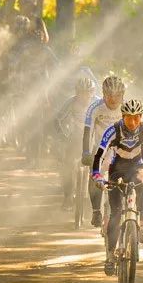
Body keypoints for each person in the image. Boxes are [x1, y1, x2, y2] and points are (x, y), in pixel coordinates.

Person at [90, 99, 143, 276]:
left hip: (137, 166)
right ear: (123, 116)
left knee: (142, 182)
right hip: (117, 168)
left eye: (136, 118)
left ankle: (141, 225)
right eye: (128, 118)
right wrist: (97, 174)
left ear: (140, 117)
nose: (132, 122)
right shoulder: (113, 130)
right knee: (116, 214)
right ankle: (110, 256)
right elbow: (100, 153)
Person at [81, 76, 126, 227]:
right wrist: (86, 153)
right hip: (100, 147)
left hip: (121, 148)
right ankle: (96, 211)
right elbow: (88, 131)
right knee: (95, 176)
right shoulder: (94, 108)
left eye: (117, 96)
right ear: (103, 94)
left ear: (122, 95)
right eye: (109, 96)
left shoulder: (126, 108)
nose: (113, 100)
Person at [54, 77, 98, 210]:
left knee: (97, 168)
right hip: (76, 137)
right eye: (81, 92)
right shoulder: (71, 102)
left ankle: (96, 202)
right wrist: (63, 135)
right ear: (76, 92)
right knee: (67, 165)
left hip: (94, 139)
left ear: (92, 92)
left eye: (88, 92)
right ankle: (68, 197)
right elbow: (57, 120)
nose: (84, 96)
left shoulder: (98, 102)